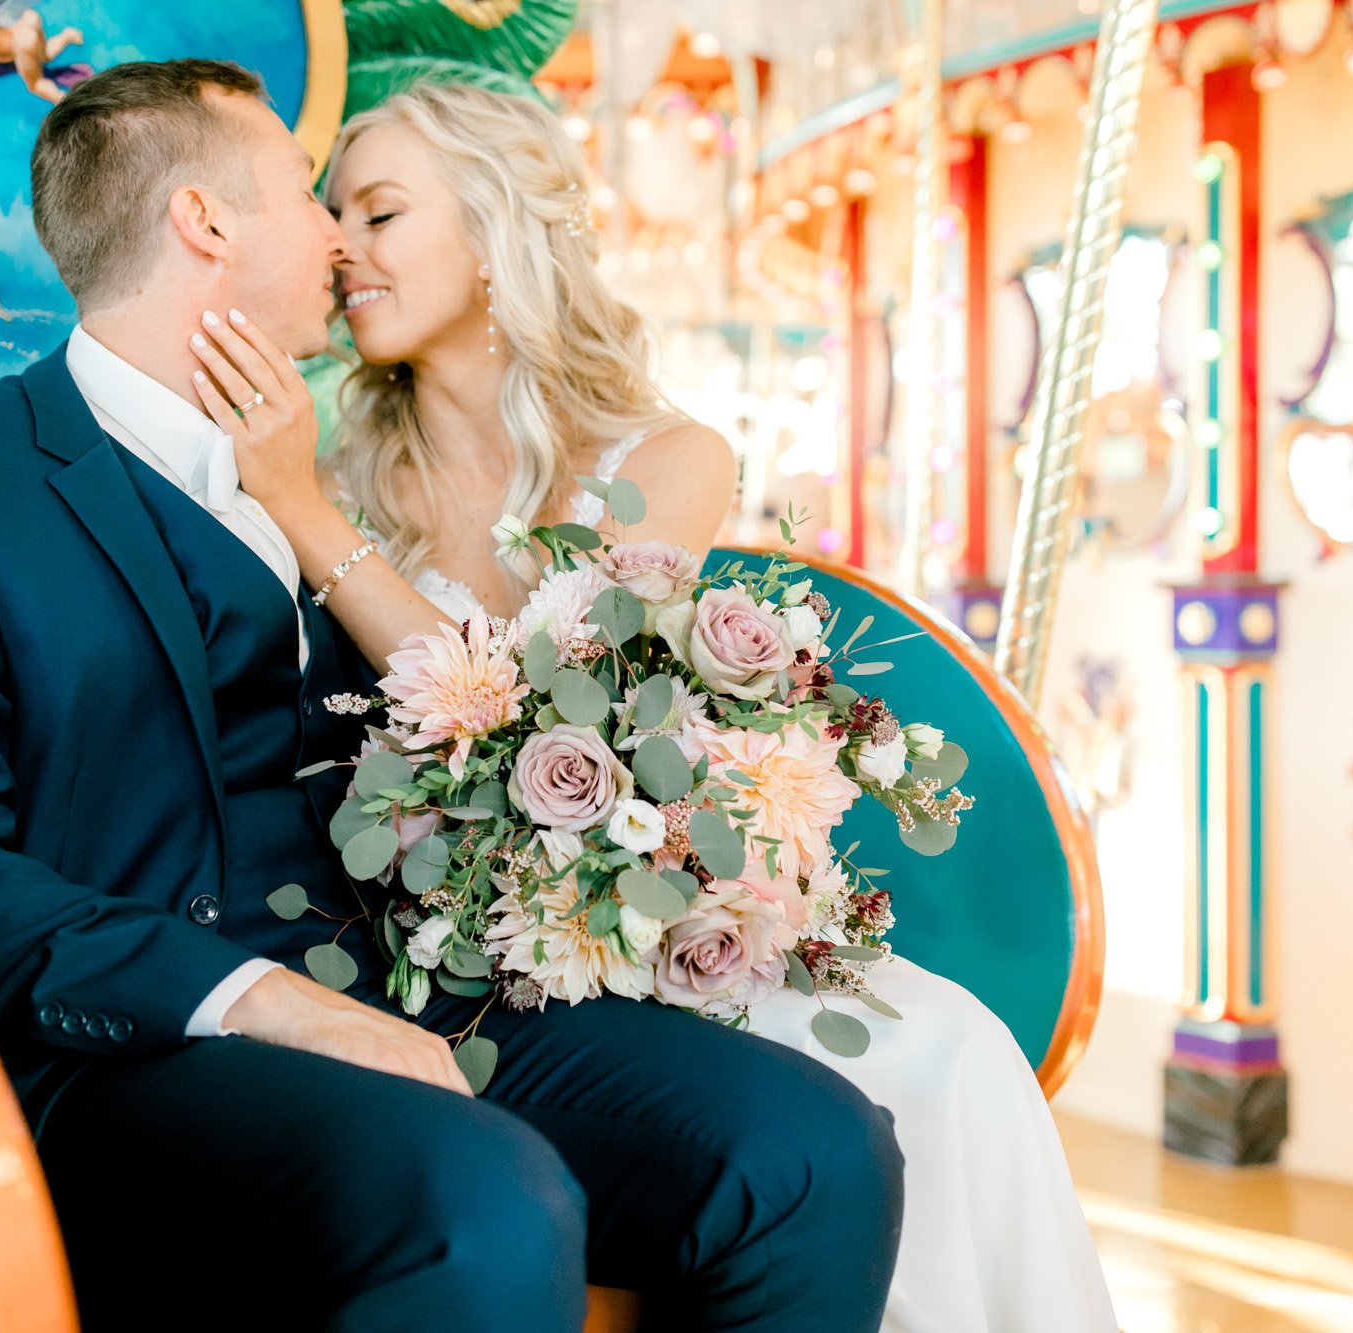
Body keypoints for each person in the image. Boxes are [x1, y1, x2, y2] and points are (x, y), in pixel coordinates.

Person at [0, 59, 905, 1332]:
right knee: (481, 1191)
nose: (335, 237)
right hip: (128, 1055)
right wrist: (260, 1001)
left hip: (396, 984)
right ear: (205, 222)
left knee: (813, 1149)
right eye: (308, 199)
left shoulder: (336, 483)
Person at [197, 80, 1117, 1332]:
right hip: (422, 936)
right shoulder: (337, 461)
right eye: (332, 213)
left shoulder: (662, 461)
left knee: (947, 1051)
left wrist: (308, 518)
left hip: (616, 915)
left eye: (382, 210)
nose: (341, 244)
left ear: (492, 232)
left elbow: (522, 718)